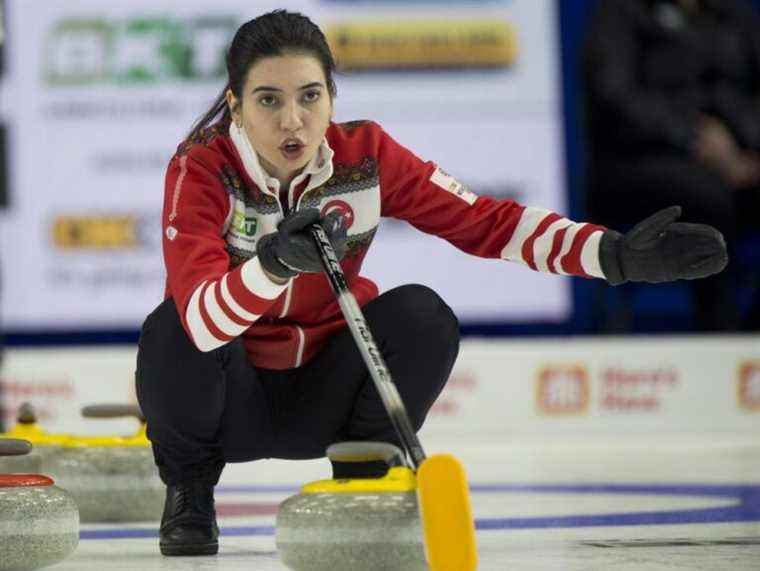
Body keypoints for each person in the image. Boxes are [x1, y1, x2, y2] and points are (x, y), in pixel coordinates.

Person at [135, 10, 728, 557]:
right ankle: (190, 492)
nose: (292, 120)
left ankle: (366, 472)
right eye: (269, 100)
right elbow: (206, 322)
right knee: (173, 330)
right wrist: (273, 265)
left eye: (309, 96)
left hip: (326, 393)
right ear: (236, 106)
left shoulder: (364, 156)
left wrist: (612, 254)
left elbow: (486, 222)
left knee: (421, 315)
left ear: (332, 98)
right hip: (229, 406)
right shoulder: (201, 168)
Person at [583, 0, 760, 331]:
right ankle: (721, 334)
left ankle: (752, 331)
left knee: (722, 192)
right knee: (709, 198)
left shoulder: (734, 16)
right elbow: (614, 97)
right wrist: (693, 137)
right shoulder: (622, 13)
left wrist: (742, 147)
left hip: (736, 158)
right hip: (641, 162)